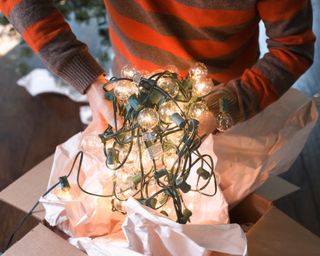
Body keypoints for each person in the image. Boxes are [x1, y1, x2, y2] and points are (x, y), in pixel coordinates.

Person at [0, 0, 315, 134]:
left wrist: (223, 107)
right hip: (128, 97)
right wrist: (90, 82)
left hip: (228, 109)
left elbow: (292, 47)